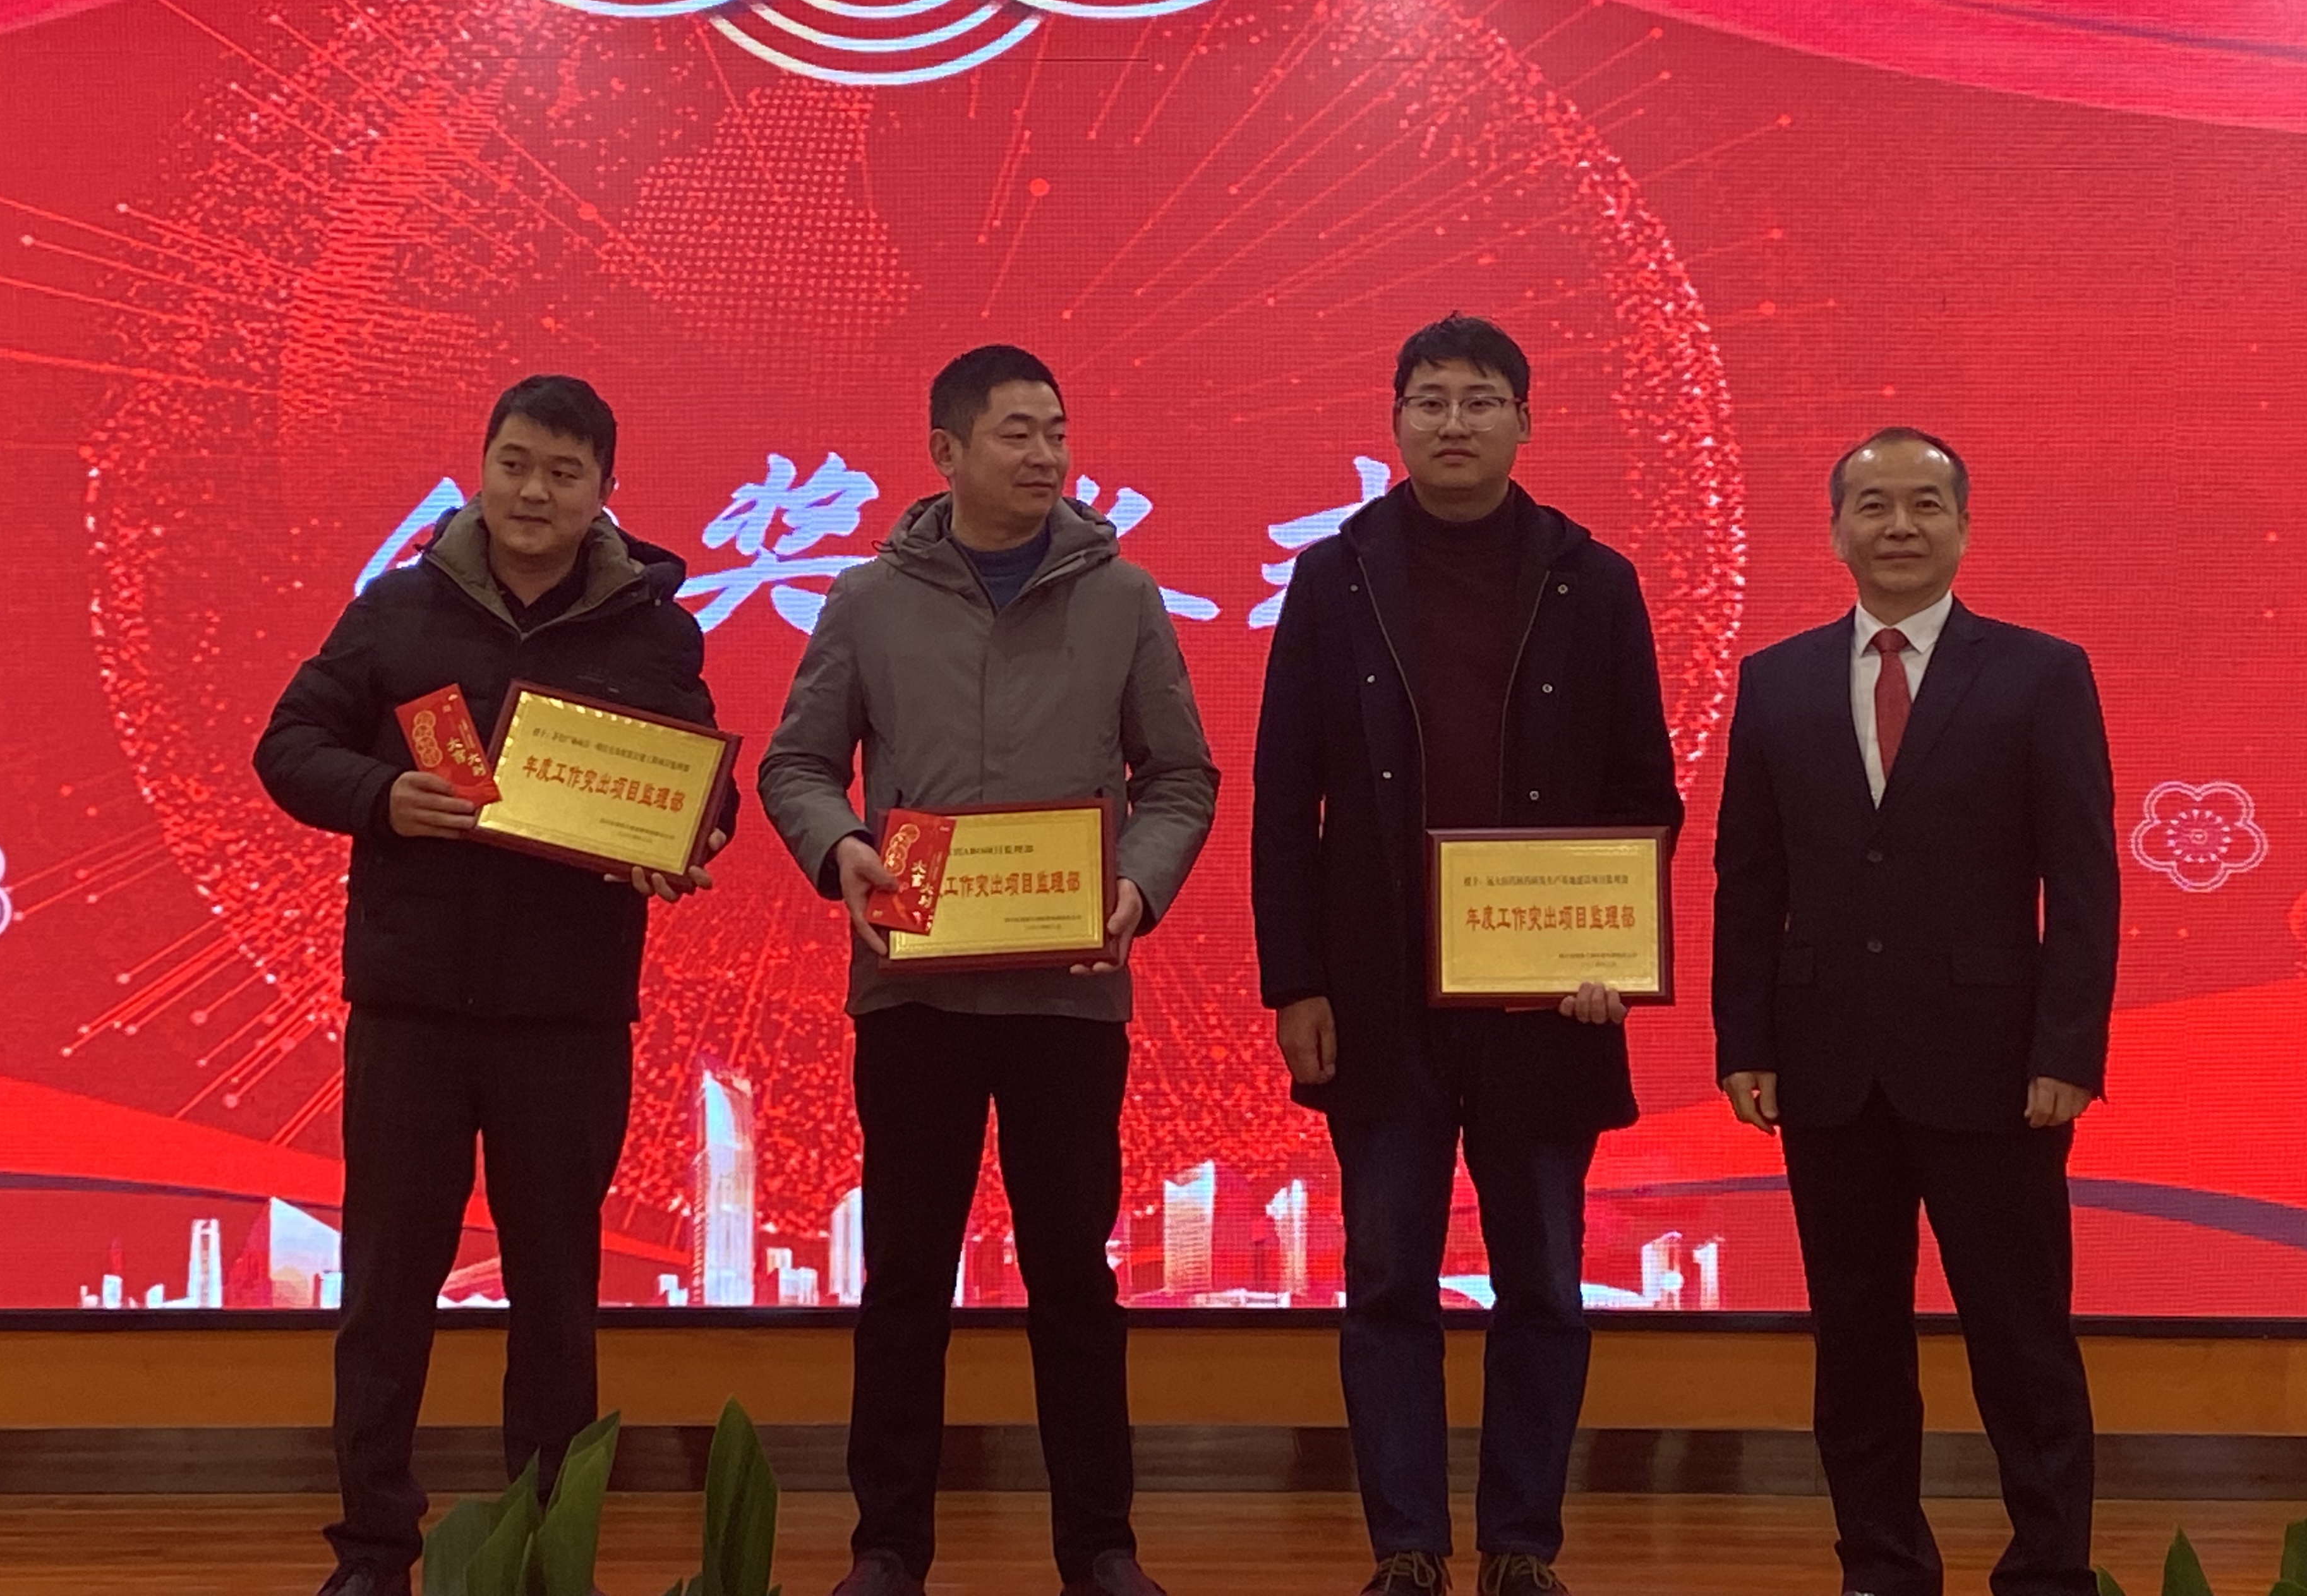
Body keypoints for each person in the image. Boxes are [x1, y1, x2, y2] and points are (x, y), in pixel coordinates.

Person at [254, 374, 736, 1596]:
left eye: (564, 474)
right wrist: (384, 798)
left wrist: (687, 838)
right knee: (387, 1292)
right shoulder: (397, 609)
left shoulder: (653, 631)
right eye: (515, 464)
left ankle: (543, 1550)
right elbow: (288, 747)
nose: (534, 492)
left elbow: (704, 787)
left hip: (567, 1016)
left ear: (604, 492)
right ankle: (375, 1550)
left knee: (557, 1297)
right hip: (412, 1010)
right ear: (482, 467)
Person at [759, 344, 1219, 1596]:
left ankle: (1101, 1547)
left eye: (1057, 431)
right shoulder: (866, 601)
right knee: (907, 1274)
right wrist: (841, 849)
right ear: (946, 452)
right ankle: (888, 1548)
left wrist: (1138, 887)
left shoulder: (1124, 597)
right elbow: (796, 764)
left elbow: (1180, 777)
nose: (1046, 455)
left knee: (1074, 1276)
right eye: (1017, 433)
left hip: (1069, 992)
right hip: (914, 993)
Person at [1251, 313, 1682, 1596]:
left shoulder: (1593, 581)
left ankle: (1521, 1545)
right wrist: (1296, 983)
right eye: (1430, 400)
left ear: (1524, 423)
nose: (1454, 422)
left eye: (1480, 400)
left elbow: (1645, 793)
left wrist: (1612, 952)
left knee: (1542, 1279)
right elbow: (1284, 801)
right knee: (1388, 1274)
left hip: (1546, 999)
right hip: (1379, 993)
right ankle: (1406, 1544)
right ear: (1395, 423)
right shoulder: (1333, 579)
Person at [1711, 428, 2116, 1596]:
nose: (1900, 525)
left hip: (1998, 1069)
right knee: (1856, 1345)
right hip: (1828, 1067)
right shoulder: (1777, 679)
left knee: (2022, 1341)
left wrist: (2067, 1050)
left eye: (1926, 505)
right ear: (1836, 531)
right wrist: (1745, 1042)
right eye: (1875, 505)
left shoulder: (2042, 673)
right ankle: (1882, 1566)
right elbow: (1751, 880)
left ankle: (2049, 1571)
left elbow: (2084, 880)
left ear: (1964, 528)